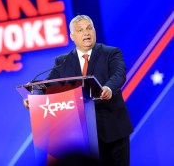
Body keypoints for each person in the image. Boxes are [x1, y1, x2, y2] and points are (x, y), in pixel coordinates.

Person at [24, 14, 133, 166]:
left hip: (112, 130)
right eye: (80, 30)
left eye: (89, 28)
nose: (86, 33)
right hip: (80, 135)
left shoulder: (111, 53)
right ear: (72, 36)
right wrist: (35, 97)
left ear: (94, 31)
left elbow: (119, 74)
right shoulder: (63, 61)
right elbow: (50, 85)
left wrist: (108, 87)